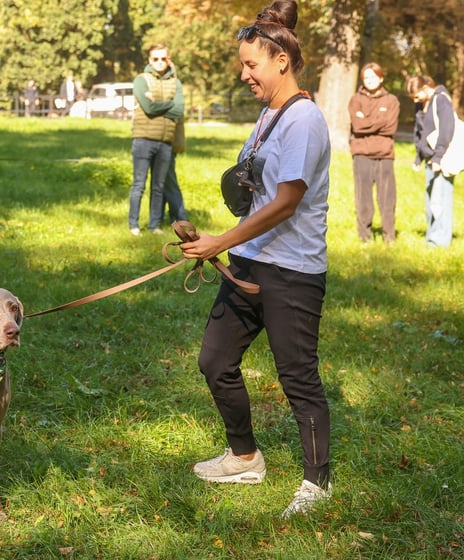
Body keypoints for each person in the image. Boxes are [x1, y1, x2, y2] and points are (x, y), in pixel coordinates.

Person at [180, 0, 333, 518]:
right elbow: (254, 190)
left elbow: (287, 200)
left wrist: (218, 242)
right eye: (242, 64)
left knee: (298, 378)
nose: (244, 74)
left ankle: (317, 482)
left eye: (251, 65)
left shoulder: (305, 120)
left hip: (292, 272)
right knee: (215, 361)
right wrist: (212, 237)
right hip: (248, 260)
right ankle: (245, 456)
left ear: (281, 62)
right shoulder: (271, 115)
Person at [128, 44, 185, 236]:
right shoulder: (141, 80)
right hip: (143, 140)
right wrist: (168, 104)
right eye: (155, 59)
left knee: (159, 187)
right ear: (149, 60)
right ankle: (134, 225)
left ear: (168, 59)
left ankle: (154, 225)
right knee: (139, 184)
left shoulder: (175, 82)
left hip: (165, 142)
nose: (159, 62)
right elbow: (148, 108)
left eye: (163, 58)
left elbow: (179, 110)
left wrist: (157, 103)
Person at [348, 63, 400, 243]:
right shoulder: (355, 100)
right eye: (366, 77)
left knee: (387, 198)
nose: (370, 81)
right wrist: (379, 121)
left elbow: (390, 128)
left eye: (373, 77)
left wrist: (367, 121)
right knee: (363, 197)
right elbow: (357, 126)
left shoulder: (391, 100)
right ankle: (365, 236)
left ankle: (389, 236)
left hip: (385, 154)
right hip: (361, 153)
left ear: (381, 78)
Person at [406, 75, 458, 247]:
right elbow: (419, 132)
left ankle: (441, 240)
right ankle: (432, 236)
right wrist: (418, 157)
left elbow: (446, 130)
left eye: (417, 95)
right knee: (430, 201)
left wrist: (438, 157)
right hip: (429, 159)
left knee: (441, 200)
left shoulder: (441, 100)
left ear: (426, 87)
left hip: (442, 159)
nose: (415, 99)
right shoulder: (421, 104)